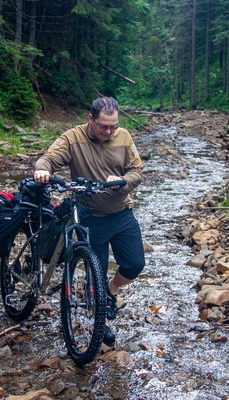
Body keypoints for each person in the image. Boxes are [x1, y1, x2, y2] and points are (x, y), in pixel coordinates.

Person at [34, 96, 145, 345]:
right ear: (90, 119)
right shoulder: (73, 138)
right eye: (103, 126)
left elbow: (137, 171)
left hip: (121, 213)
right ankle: (101, 321)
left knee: (135, 265)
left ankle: (111, 290)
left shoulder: (124, 137)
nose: (108, 131)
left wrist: (121, 182)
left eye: (113, 126)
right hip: (90, 216)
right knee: (96, 271)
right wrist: (42, 170)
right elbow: (48, 158)